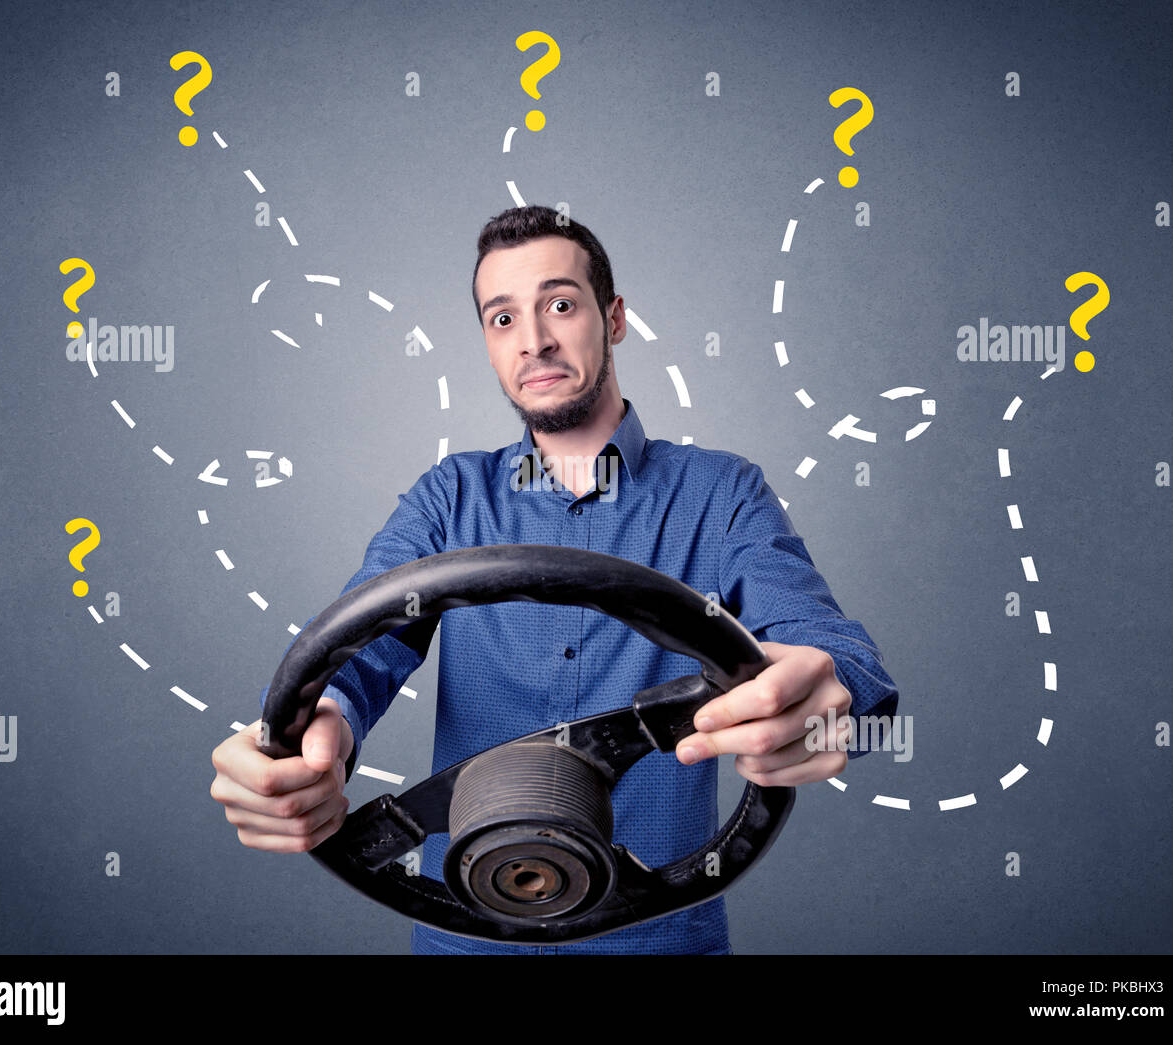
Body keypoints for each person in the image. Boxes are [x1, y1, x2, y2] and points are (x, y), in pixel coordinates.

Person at [210, 205, 899, 954]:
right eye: (502, 319)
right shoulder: (449, 496)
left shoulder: (722, 493)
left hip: (663, 942)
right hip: (463, 944)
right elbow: (357, 653)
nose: (533, 339)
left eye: (560, 305)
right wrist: (310, 741)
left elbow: (839, 662)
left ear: (615, 317)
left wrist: (828, 700)